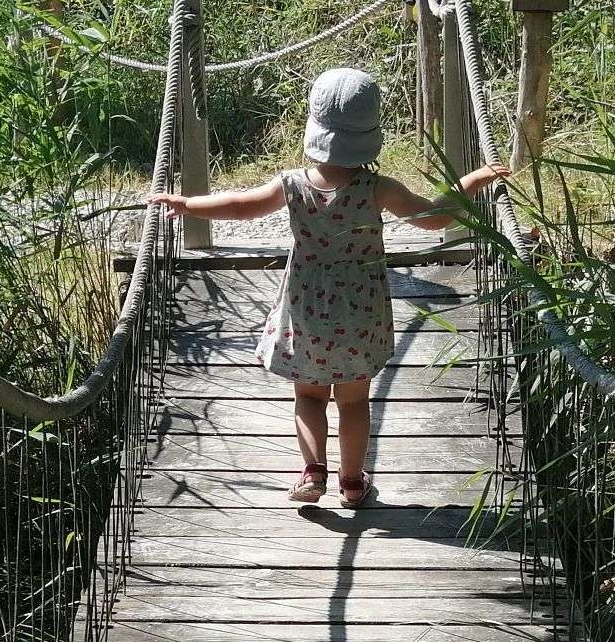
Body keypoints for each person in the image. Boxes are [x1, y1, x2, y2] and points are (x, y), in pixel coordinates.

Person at [149, 67, 505, 505]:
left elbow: (242, 208)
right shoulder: (378, 188)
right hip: (360, 313)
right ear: (371, 134)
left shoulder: (293, 184)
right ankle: (352, 482)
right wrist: (472, 180)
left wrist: (187, 204)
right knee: (354, 402)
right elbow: (433, 218)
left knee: (309, 395)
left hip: (306, 311)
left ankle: (313, 471)